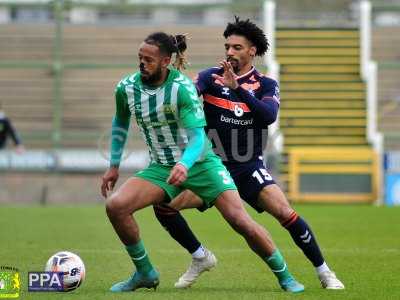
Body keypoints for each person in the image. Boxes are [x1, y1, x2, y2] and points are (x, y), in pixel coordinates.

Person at [101, 31, 304, 293]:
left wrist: (184, 164)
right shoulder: (126, 87)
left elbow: (198, 138)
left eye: (149, 59)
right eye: (140, 58)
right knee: (116, 206)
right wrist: (114, 166)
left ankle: (284, 275)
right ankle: (145, 272)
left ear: (165, 61)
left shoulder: (182, 88)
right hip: (161, 167)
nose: (142, 63)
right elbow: (120, 121)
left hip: (201, 163)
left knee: (239, 220)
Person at [153, 17, 345, 290]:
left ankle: (325, 273)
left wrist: (237, 89)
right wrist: (173, 71)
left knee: (286, 214)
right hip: (212, 167)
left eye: (237, 47)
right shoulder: (210, 77)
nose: (230, 52)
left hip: (247, 166)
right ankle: (199, 256)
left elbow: (268, 115)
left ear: (252, 51)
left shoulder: (266, 84)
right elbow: (182, 97)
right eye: (227, 46)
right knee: (163, 207)